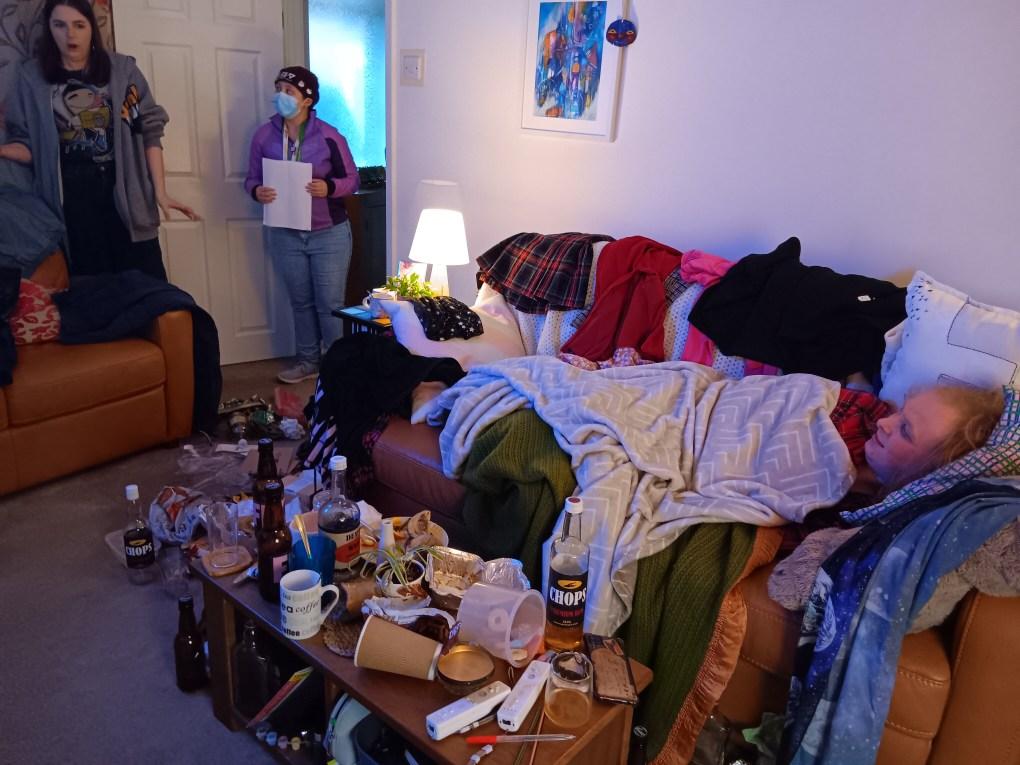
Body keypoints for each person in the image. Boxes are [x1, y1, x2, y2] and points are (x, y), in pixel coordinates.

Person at [0, 0, 198, 280]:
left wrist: (160, 192)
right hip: (72, 198)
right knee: (95, 292)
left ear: (91, 28)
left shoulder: (122, 72)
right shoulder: (31, 78)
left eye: (79, 25)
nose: (70, 34)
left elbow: (148, 129)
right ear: (49, 29)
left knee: (149, 287)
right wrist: (2, 150)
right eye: (60, 25)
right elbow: (30, 146)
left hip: (123, 191)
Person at [245, 66, 359, 384]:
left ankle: (335, 367)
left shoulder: (329, 135)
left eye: (289, 91)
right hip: (285, 232)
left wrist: (329, 187)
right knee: (301, 302)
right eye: (278, 88)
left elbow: (352, 179)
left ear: (307, 100)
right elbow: (251, 179)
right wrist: (257, 191)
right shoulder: (264, 135)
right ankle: (308, 361)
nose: (280, 95)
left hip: (329, 234)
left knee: (330, 304)